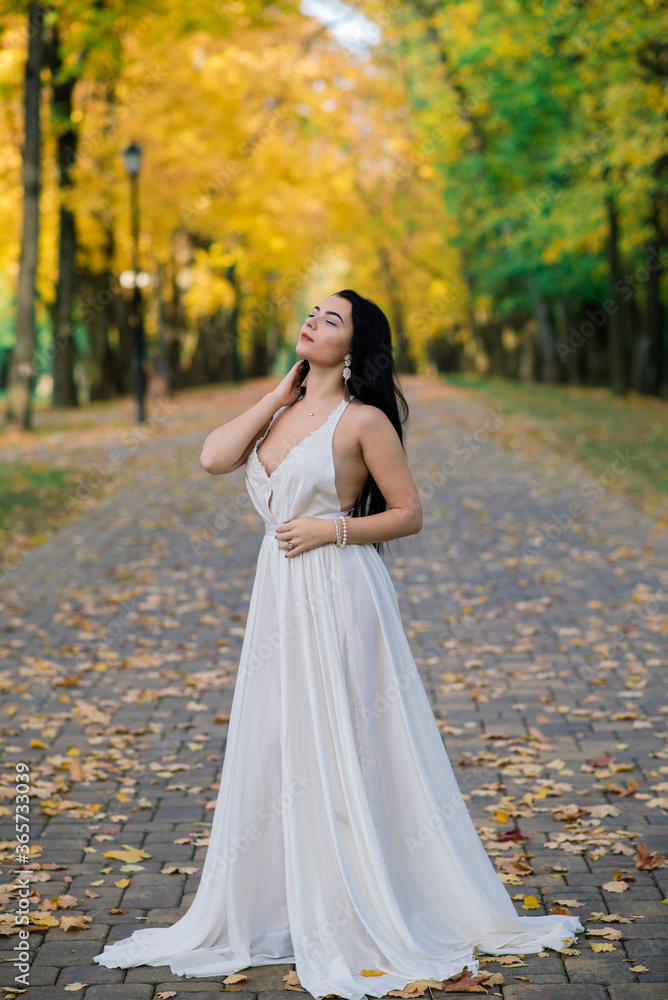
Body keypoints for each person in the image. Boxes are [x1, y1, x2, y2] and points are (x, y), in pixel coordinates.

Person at [93, 290, 583, 1000]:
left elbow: (409, 513)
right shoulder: (282, 411)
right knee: (278, 742)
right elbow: (212, 457)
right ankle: (292, 899)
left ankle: (359, 901)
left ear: (353, 348)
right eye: (313, 313)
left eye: (331, 319)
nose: (312, 322)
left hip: (341, 590)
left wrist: (334, 529)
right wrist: (275, 394)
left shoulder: (366, 421)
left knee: (346, 745)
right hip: (278, 596)